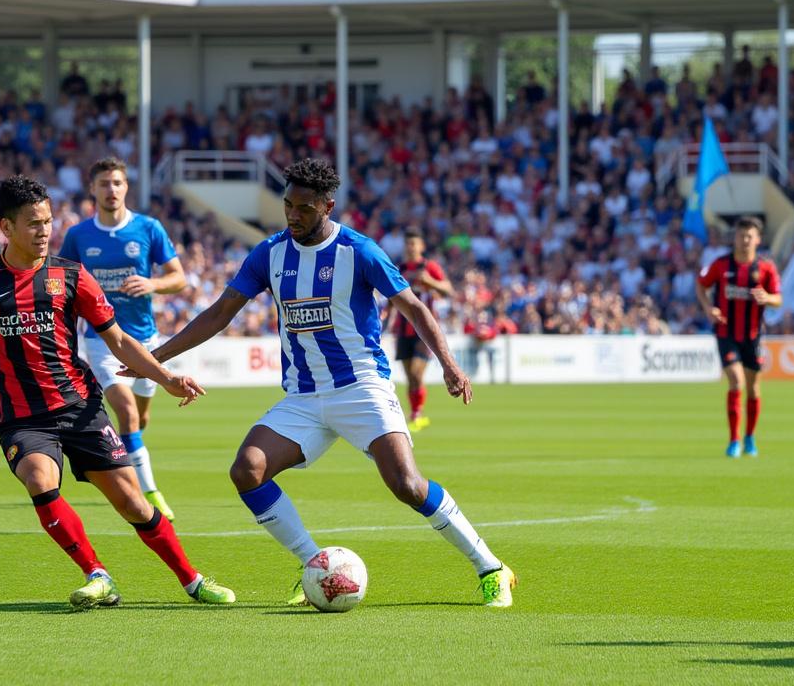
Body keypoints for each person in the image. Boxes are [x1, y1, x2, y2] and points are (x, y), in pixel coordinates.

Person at [126, 158, 517, 608]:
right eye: (288, 205)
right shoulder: (270, 253)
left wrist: (448, 365)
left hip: (361, 388)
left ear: (327, 206)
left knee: (407, 484)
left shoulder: (359, 251)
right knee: (247, 470)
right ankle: (314, 564)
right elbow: (219, 313)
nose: (293, 215)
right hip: (304, 397)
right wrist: (154, 359)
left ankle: (492, 568)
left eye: (304, 209)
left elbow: (415, 308)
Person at [0, 176, 234, 610]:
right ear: (6, 228)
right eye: (33, 224)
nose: (44, 231)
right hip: (21, 416)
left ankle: (192, 581)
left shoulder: (71, 275)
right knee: (39, 478)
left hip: (80, 406)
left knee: (133, 504)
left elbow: (119, 340)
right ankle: (96, 574)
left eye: (47, 221)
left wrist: (165, 377)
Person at [59, 157, 187, 521]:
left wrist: (153, 283)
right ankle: (150, 494)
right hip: (102, 341)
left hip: (146, 339)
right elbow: (64, 284)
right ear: (92, 189)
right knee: (127, 412)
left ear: (126, 187)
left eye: (117, 183)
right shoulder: (79, 236)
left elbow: (179, 278)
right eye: (104, 183)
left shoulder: (148, 228)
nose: (111, 190)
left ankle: (124, 454)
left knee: (139, 419)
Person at [696, 217, 783, 458]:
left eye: (749, 236)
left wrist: (767, 297)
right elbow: (701, 285)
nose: (744, 240)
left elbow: (778, 298)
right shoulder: (721, 265)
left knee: (754, 388)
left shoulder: (765, 268)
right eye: (740, 235)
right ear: (734, 237)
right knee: (736, 381)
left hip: (753, 335)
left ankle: (750, 437)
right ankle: (733, 440)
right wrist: (707, 308)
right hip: (726, 333)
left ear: (757, 239)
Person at [384, 228, 454, 431]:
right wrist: (386, 313)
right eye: (408, 244)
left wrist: (430, 281)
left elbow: (448, 289)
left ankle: (417, 413)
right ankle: (416, 414)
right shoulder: (400, 268)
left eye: (414, 243)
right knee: (409, 375)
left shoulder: (429, 267)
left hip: (424, 330)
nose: (411, 247)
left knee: (416, 373)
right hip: (403, 329)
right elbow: (391, 295)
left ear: (422, 246)